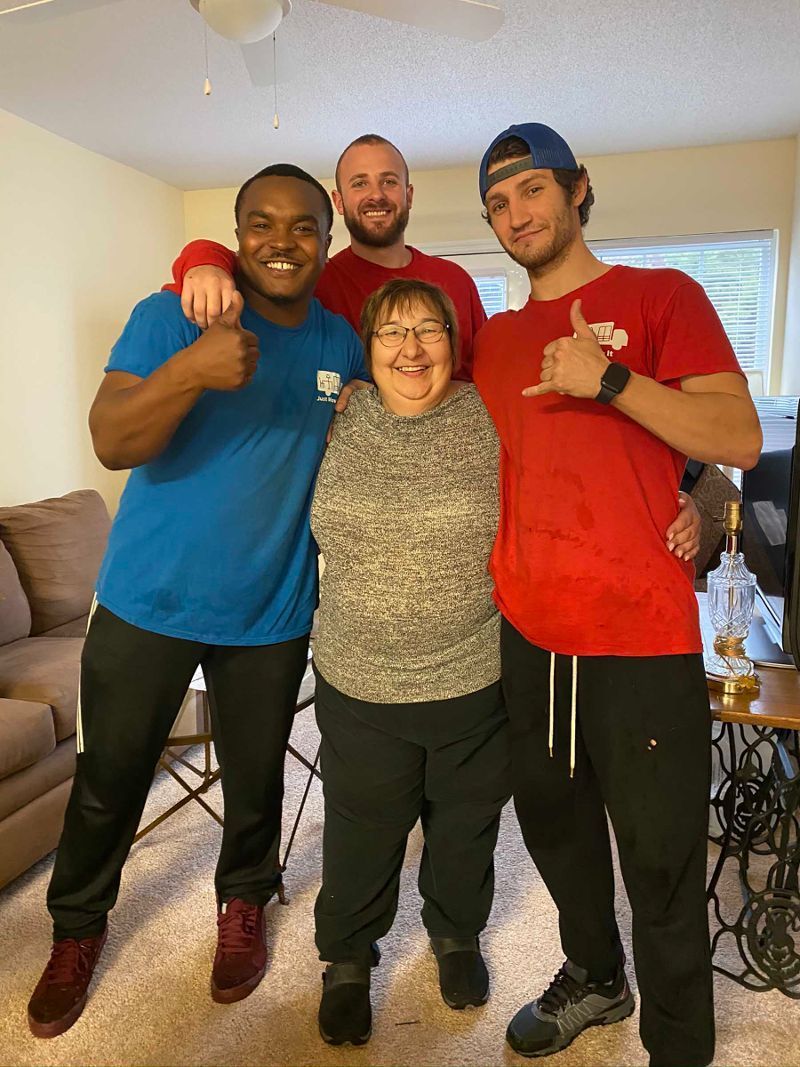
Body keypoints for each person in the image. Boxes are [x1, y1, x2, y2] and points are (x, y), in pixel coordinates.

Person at [26, 164, 367, 1039]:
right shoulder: (171, 313)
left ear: (326, 243)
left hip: (273, 609)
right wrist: (191, 369)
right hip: (147, 601)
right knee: (109, 782)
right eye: (262, 224)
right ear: (237, 233)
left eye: (302, 227)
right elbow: (110, 439)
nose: (281, 242)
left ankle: (243, 903)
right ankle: (76, 929)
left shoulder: (340, 344)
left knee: (256, 783)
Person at [471, 123, 762, 1067]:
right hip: (530, 628)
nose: (518, 213)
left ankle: (679, 1044)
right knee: (555, 832)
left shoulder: (661, 296)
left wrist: (613, 379)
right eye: (499, 203)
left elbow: (738, 438)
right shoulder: (497, 341)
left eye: (532, 189)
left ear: (579, 189)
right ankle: (596, 974)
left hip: (640, 632)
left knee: (661, 853)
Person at [309, 277, 509, 1047]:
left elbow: (582, 464)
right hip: (358, 674)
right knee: (362, 827)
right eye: (392, 332)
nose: (411, 348)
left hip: (473, 670)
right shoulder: (340, 416)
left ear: (454, 345)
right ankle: (349, 960)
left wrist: (690, 492)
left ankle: (457, 934)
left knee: (465, 824)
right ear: (367, 348)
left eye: (429, 330)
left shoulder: (491, 417)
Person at [165, 134, 487, 378]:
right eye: (360, 183)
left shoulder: (455, 280)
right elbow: (245, 268)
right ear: (339, 201)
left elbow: (482, 376)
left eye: (389, 181)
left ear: (408, 195)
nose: (376, 194)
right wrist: (204, 259)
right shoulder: (309, 279)